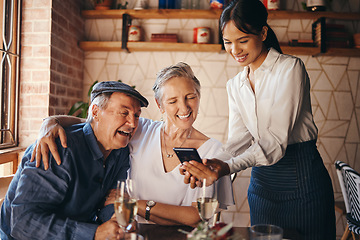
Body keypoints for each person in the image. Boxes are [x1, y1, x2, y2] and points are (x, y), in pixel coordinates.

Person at [180, 0, 336, 239]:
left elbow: (275, 141)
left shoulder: (290, 69)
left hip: (302, 181)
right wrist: (210, 164)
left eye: (242, 40)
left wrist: (227, 167)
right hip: (262, 187)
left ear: (263, 32)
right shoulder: (235, 85)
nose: (235, 50)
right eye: (228, 42)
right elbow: (238, 141)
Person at [31, 62, 234, 227]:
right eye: (172, 101)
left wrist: (134, 204)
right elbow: (94, 123)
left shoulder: (214, 152)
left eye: (191, 97)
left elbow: (196, 216)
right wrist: (50, 123)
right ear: (159, 105)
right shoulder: (140, 128)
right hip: (129, 233)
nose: (184, 107)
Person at [0, 81, 149, 240]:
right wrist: (95, 233)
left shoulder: (121, 151)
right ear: (96, 112)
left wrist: (116, 220)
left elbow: (111, 199)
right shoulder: (58, 149)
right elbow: (23, 224)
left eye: (136, 115)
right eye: (124, 112)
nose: (133, 123)